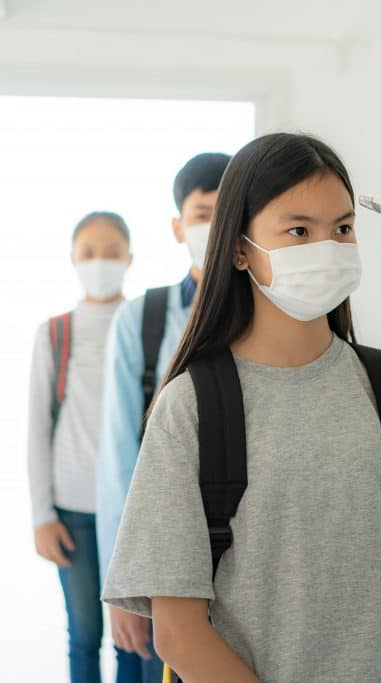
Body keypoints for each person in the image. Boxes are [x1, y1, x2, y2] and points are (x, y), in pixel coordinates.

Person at [101, 133, 381, 683]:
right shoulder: (190, 407)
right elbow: (176, 629)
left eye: (343, 228)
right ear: (239, 249)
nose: (327, 247)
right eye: (299, 230)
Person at [95, 152, 230, 680]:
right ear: (179, 227)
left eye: (227, 213)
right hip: (159, 567)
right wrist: (122, 587)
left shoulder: (276, 316)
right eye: (202, 215)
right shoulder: (143, 321)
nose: (214, 228)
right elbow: (119, 460)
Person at [28, 211, 132, 683]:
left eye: (112, 252)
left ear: (129, 258)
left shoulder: (141, 324)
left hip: (132, 512)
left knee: (139, 639)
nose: (100, 262)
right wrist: (42, 516)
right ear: (72, 259)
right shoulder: (56, 333)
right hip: (72, 512)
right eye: (89, 253)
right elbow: (37, 428)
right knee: (85, 634)